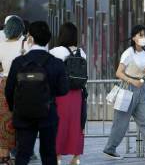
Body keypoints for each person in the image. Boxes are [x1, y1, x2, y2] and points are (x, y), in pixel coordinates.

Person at [5, 21, 68, 165]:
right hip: (48, 113)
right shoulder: (56, 63)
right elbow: (63, 90)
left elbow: (9, 90)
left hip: (23, 114)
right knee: (48, 153)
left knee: (23, 154)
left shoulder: (18, 62)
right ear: (48, 39)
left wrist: (14, 108)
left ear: (30, 38)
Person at [103, 25, 145, 160]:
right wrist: (131, 80)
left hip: (143, 87)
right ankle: (110, 149)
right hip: (128, 88)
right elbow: (118, 72)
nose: (143, 38)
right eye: (141, 35)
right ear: (134, 37)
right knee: (121, 122)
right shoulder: (128, 53)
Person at [49, 23, 87, 165]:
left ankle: (57, 157)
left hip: (60, 94)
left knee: (59, 125)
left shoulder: (55, 51)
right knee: (77, 124)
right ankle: (76, 158)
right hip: (77, 94)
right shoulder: (81, 52)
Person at [0, 16, 25, 164]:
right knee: (21, 119)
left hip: (4, 84)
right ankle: (19, 154)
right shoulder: (25, 44)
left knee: (4, 120)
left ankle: (3, 154)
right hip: (21, 84)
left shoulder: (1, 45)